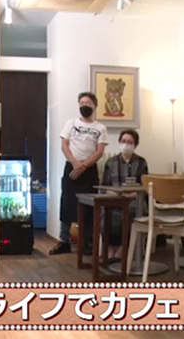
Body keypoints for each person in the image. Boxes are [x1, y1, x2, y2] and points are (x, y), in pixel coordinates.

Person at [50, 92, 108, 255]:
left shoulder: (100, 128)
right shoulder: (71, 123)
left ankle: (87, 242)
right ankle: (64, 241)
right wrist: (75, 163)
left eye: (88, 103)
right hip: (71, 167)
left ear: (95, 106)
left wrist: (83, 166)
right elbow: (64, 145)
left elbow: (99, 151)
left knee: (89, 207)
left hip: (89, 170)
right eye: (81, 103)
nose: (84, 106)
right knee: (67, 204)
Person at [101, 129, 148, 259]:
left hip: (134, 200)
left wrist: (130, 196)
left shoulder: (141, 162)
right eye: (123, 141)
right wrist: (117, 195)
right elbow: (104, 186)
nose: (126, 144)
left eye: (130, 142)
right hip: (114, 198)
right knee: (106, 213)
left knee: (131, 211)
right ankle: (110, 247)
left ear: (135, 145)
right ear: (119, 142)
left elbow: (144, 187)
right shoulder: (111, 162)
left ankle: (124, 247)